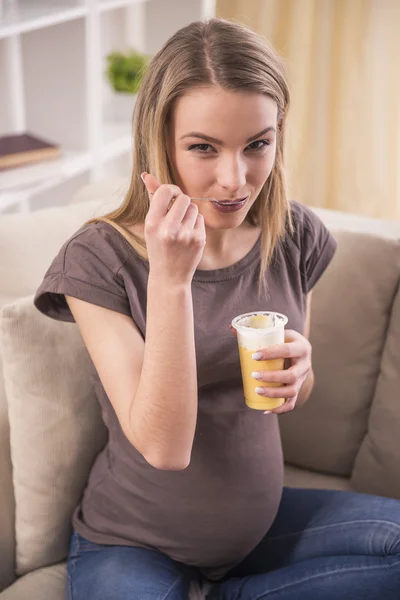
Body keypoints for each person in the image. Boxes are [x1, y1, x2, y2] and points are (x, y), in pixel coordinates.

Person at [34, 17, 400, 600]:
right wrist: (172, 282)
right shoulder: (97, 258)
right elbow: (164, 447)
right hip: (134, 541)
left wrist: (299, 372)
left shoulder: (293, 232)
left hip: (259, 527)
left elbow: (289, 399)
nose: (235, 179)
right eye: (203, 148)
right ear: (160, 143)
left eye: (258, 144)